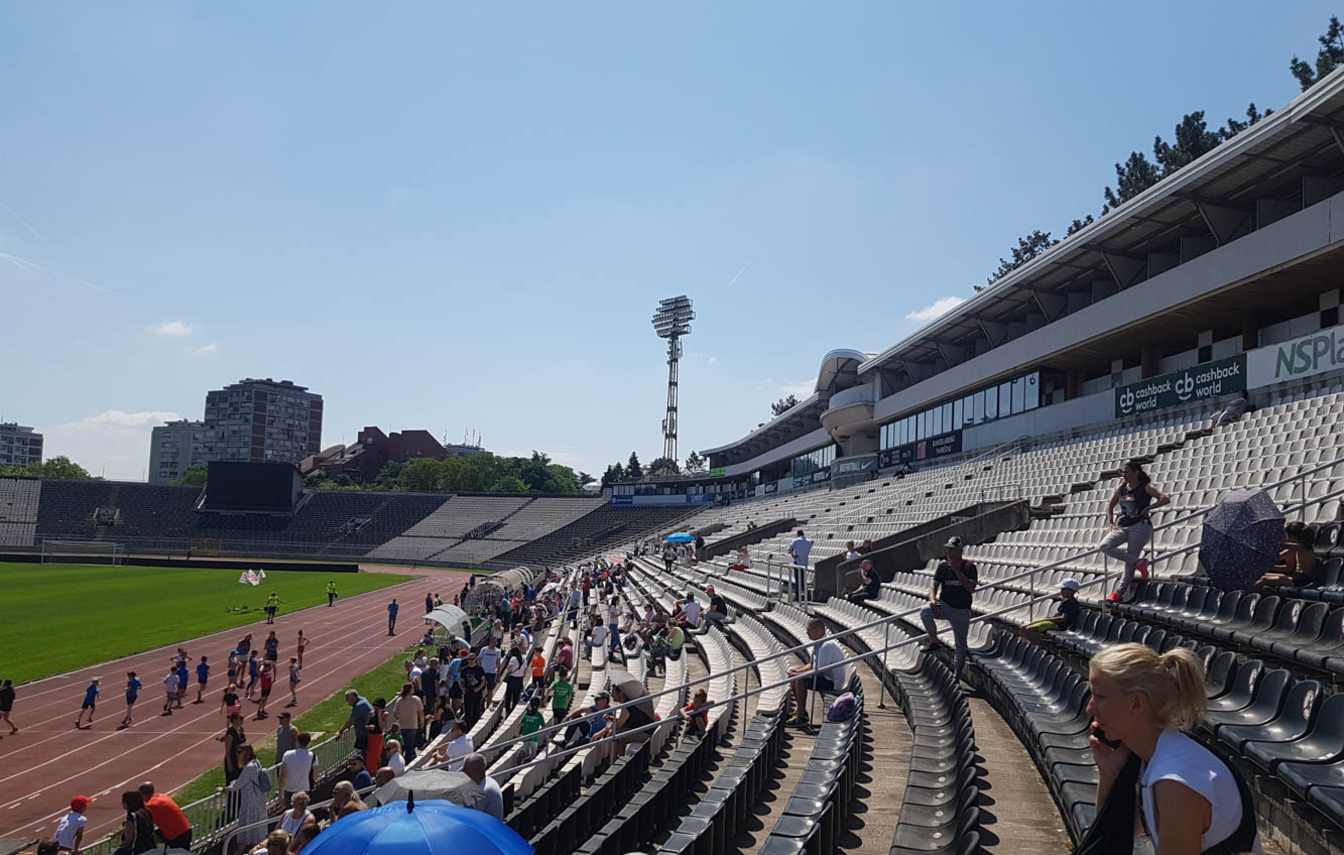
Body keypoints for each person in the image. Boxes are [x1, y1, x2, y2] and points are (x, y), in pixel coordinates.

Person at [1085, 643, 1260, 853]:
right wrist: (1110, 774)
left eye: (1100, 697)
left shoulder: (1176, 780)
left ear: (1136, 703)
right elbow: (1114, 835)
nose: (1090, 708)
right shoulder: (1151, 755)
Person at [1100, 460, 1169, 603]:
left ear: (1135, 472)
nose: (1124, 475)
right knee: (1104, 546)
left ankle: (1119, 592)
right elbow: (1110, 505)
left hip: (1140, 526)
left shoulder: (1145, 487)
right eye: (1123, 472)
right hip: (1124, 525)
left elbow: (1165, 498)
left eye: (1126, 472)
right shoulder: (1122, 488)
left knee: (1128, 563)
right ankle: (1139, 562)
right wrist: (1111, 521)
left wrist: (1150, 507)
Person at [920, 537, 978, 679]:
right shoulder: (943, 567)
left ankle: (956, 675)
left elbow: (970, 588)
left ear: (959, 551)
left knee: (960, 645)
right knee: (925, 612)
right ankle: (934, 641)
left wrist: (957, 572)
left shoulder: (969, 567)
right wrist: (933, 600)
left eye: (952, 550)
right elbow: (934, 585)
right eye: (948, 550)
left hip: (961, 610)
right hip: (945, 605)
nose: (949, 553)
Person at [786, 618, 844, 726]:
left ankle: (801, 717)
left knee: (800, 680)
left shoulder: (827, 645)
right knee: (795, 674)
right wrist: (797, 671)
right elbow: (812, 664)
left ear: (818, 631)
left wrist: (798, 675)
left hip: (832, 682)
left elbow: (818, 671)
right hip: (825, 677)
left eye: (809, 630)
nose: (806, 633)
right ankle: (800, 711)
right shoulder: (818, 643)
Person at [1256, 521, 1319, 591]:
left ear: (1295, 536)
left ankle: (1246, 596)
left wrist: (1267, 541)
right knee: (1260, 576)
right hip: (1294, 577)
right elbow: (1278, 558)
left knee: (1264, 580)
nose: (1287, 537)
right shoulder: (1295, 549)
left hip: (1303, 580)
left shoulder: (1302, 547)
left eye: (1288, 535)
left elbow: (1283, 545)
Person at [230, 745, 271, 850]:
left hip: (251, 802)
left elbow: (237, 786)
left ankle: (244, 850)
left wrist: (226, 788)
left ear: (245, 754)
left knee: (247, 827)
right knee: (257, 828)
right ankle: (253, 848)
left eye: (240, 752)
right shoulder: (256, 762)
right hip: (258, 800)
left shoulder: (249, 768)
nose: (238, 755)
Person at [138, 782, 191, 850]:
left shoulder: (151, 805)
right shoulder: (162, 796)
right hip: (185, 830)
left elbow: (140, 818)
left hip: (177, 834)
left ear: (142, 795)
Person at [462, 754, 503, 820]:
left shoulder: (483, 791)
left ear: (477, 771)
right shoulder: (489, 780)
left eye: (466, 771)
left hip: (486, 828)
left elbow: (465, 815)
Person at [280, 732, 316, 806]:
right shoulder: (312, 755)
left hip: (289, 790)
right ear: (309, 742)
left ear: (297, 741)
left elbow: (283, 775)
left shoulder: (287, 754)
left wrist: (280, 794)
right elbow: (316, 775)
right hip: (305, 790)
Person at [391, 682, 424, 761]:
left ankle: (407, 757)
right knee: (410, 744)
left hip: (402, 725)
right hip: (412, 725)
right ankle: (408, 760)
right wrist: (422, 722)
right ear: (410, 690)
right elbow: (421, 712)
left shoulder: (399, 700)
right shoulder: (416, 699)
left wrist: (400, 719)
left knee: (405, 744)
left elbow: (395, 713)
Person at [116, 790, 155, 855]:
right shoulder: (146, 811)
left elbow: (129, 838)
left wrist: (121, 847)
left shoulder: (132, 816)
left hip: (137, 849)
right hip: (150, 845)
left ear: (127, 803)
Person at [339, 690, 374, 755]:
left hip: (363, 734)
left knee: (361, 753)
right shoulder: (363, 700)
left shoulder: (359, 706)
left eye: (348, 699)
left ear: (354, 698)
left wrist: (340, 731)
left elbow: (350, 721)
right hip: (366, 732)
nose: (347, 702)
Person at [220, 713, 246, 783]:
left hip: (240, 760)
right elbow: (227, 751)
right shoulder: (230, 733)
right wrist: (229, 765)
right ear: (234, 720)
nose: (242, 720)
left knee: (240, 781)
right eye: (240, 719)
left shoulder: (240, 730)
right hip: (233, 760)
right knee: (232, 782)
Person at [788, 530, 814, 602]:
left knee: (798, 580)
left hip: (798, 562)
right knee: (803, 580)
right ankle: (807, 595)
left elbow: (789, 550)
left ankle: (797, 596)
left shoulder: (795, 541)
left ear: (797, 534)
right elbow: (812, 543)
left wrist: (793, 556)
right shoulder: (808, 541)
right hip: (805, 563)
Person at [503, 645, 526, 714]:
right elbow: (525, 670)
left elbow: (509, 668)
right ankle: (513, 710)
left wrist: (506, 674)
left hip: (512, 679)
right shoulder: (524, 659)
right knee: (516, 696)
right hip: (519, 679)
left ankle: (507, 711)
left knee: (508, 696)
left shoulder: (513, 659)